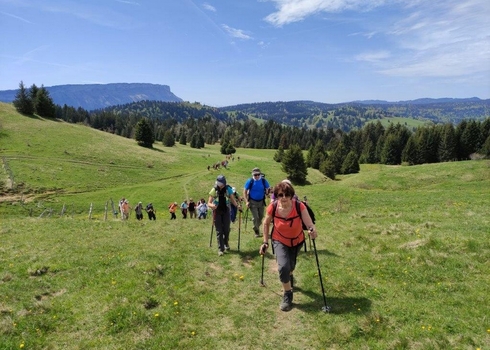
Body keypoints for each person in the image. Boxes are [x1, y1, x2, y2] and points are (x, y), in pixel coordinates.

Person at [259, 180, 317, 311]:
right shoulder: (273, 207)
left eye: (286, 195)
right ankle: (287, 294)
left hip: (297, 241)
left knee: (291, 266)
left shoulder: (299, 206)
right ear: (277, 196)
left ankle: (289, 276)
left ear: (291, 195)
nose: (283, 198)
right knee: (283, 267)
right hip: (279, 240)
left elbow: (309, 223)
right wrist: (265, 241)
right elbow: (266, 223)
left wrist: (312, 230)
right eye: (280, 195)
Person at [208, 175, 241, 256]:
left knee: (226, 229)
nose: (219, 185)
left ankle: (226, 242)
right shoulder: (214, 189)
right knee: (219, 230)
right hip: (217, 210)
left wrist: (237, 206)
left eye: (220, 183)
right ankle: (220, 249)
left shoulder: (228, 189)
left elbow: (232, 199)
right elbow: (208, 202)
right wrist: (212, 206)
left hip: (226, 210)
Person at [243, 167, 271, 238]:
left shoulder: (264, 181)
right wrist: (246, 201)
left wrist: (268, 192)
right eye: (255, 175)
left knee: (261, 216)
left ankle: (256, 226)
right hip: (252, 202)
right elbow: (245, 191)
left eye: (258, 174)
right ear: (253, 175)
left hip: (261, 201)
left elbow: (268, 189)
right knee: (255, 217)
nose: (257, 176)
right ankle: (256, 231)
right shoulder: (250, 181)